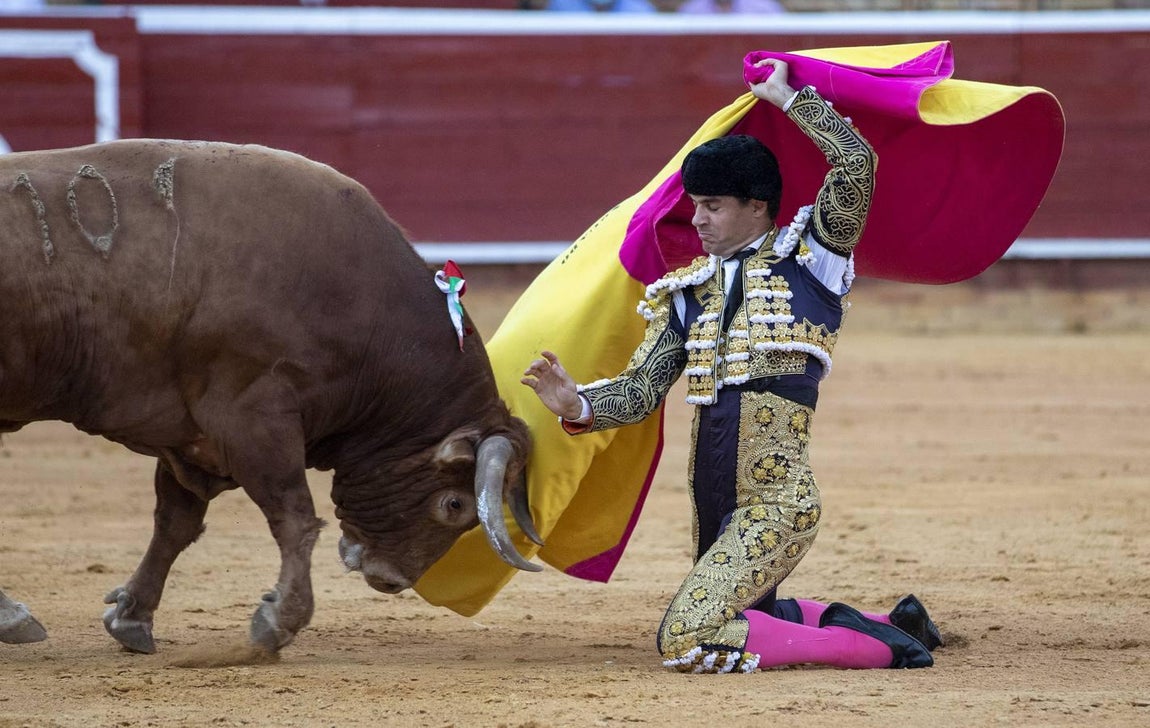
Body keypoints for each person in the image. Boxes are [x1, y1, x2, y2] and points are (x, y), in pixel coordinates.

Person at [522, 58, 943, 673]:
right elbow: (642, 390)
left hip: (778, 500)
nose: (698, 219)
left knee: (688, 636)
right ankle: (889, 622)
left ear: (756, 205)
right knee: (745, 614)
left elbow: (856, 165)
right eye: (695, 204)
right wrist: (578, 404)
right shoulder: (685, 292)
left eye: (713, 205)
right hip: (714, 500)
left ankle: (879, 650)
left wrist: (789, 99)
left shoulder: (814, 258)